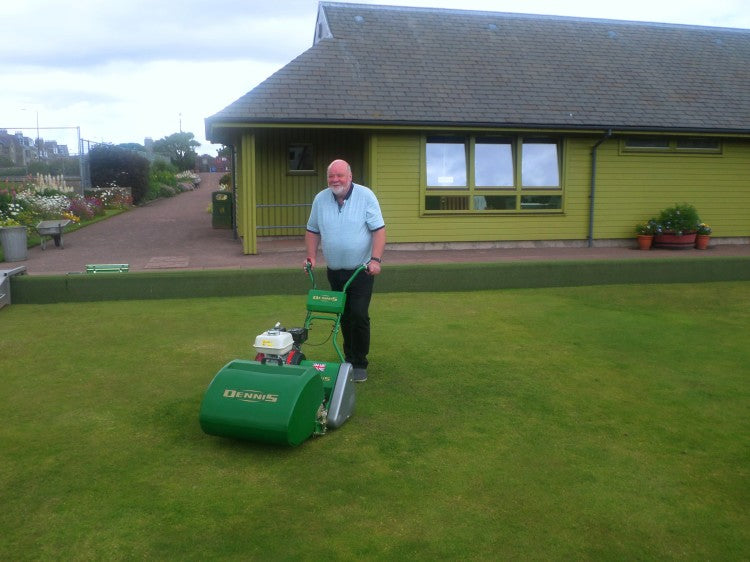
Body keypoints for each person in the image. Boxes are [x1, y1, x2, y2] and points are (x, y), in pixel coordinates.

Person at [305, 159, 386, 382]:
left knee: (358, 315)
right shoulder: (320, 199)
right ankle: (348, 359)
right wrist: (312, 256)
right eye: (331, 176)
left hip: (361, 270)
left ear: (350, 177)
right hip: (335, 271)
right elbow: (312, 230)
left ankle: (359, 363)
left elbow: (379, 231)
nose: (335, 180)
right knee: (344, 315)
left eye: (340, 175)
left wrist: (376, 260)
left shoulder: (366, 196)